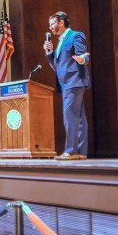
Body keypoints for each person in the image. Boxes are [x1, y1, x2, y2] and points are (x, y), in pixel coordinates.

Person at [44, 11, 90, 160]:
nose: (50, 27)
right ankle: (81, 152)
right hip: (66, 83)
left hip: (74, 81)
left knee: (69, 115)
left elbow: (82, 55)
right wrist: (50, 53)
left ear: (61, 22)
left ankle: (70, 151)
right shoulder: (60, 42)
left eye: (52, 24)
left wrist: (83, 59)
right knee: (79, 118)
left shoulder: (75, 35)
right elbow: (57, 66)